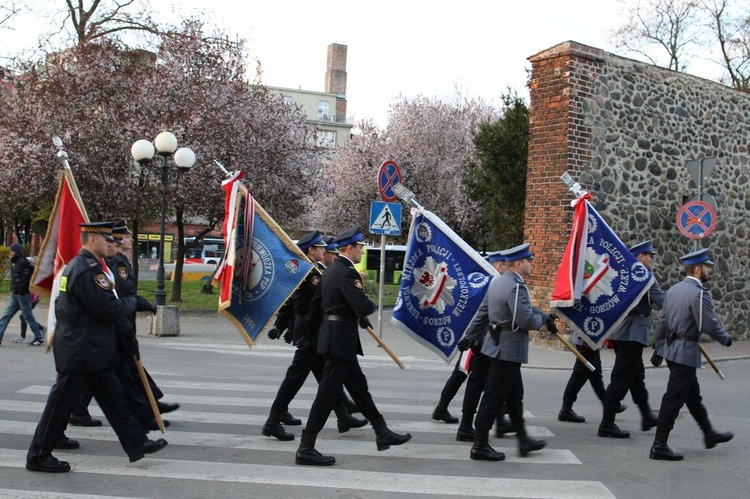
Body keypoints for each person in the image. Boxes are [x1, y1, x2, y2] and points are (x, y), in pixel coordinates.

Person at [26, 222, 167, 473]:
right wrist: (132, 302)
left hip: (93, 349)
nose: (112, 243)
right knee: (59, 404)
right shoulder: (86, 270)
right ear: (92, 240)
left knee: (114, 398)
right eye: (106, 240)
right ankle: (38, 455)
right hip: (80, 350)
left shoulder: (90, 267)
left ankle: (136, 443)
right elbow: (107, 309)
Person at [295, 226, 411, 466]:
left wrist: (310, 334)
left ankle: (381, 431)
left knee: (359, 388)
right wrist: (368, 307)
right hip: (340, 340)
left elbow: (317, 307)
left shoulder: (329, 271)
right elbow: (361, 305)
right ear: (350, 248)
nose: (362, 250)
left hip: (335, 338)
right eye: (360, 246)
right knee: (326, 396)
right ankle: (306, 447)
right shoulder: (347, 272)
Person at [262, 231, 365, 441]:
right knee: (296, 375)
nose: (324, 250)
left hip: (316, 329)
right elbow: (319, 296)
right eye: (320, 248)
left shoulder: (313, 269)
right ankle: (273, 420)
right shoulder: (310, 273)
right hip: (310, 330)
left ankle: (343, 415)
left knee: (324, 375)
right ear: (312, 250)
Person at [649, 248, 733, 461]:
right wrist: (725, 339)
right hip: (685, 352)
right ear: (697, 269)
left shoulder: (674, 290)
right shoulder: (699, 293)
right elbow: (709, 324)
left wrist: (659, 348)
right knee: (674, 399)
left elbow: (662, 321)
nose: (708, 271)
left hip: (672, 350)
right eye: (706, 267)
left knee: (692, 396)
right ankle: (659, 445)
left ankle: (709, 434)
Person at [471, 243, 551, 461]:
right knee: (494, 397)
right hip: (508, 350)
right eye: (529, 260)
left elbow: (482, 313)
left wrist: (469, 336)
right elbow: (525, 319)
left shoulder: (498, 282)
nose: (531, 263)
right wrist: (542, 320)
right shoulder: (517, 286)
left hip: (495, 346)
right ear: (519, 263)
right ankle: (480, 445)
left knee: (515, 397)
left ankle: (523, 439)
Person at [108, 221, 177, 430]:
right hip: (119, 326)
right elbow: (122, 297)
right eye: (128, 236)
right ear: (119, 240)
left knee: (120, 370)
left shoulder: (121, 261)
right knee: (123, 372)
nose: (131, 239)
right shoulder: (118, 264)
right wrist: (144, 304)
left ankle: (151, 403)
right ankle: (147, 411)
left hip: (122, 325)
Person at [598, 240, 664, 438]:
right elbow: (663, 302)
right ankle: (607, 423)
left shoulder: (622, 274)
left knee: (636, 377)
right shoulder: (643, 277)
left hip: (621, 331)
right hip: (634, 333)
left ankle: (646, 416)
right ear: (639, 257)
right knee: (621, 378)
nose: (651, 258)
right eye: (648, 255)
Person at [453, 251, 512, 442]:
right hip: (488, 342)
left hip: (484, 340)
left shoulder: (488, 283)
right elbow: (481, 313)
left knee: (489, 384)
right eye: (503, 265)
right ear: (498, 266)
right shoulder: (491, 284)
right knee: (490, 385)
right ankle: (473, 427)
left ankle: (479, 423)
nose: (505, 268)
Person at [0, 243, 45, 347]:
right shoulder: (15, 263)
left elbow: (25, 280)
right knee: (7, 315)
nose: (10, 253)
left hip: (22, 295)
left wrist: (20, 291)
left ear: (16, 252)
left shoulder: (23, 263)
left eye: (12, 251)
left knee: (28, 316)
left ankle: (38, 337)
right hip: (15, 294)